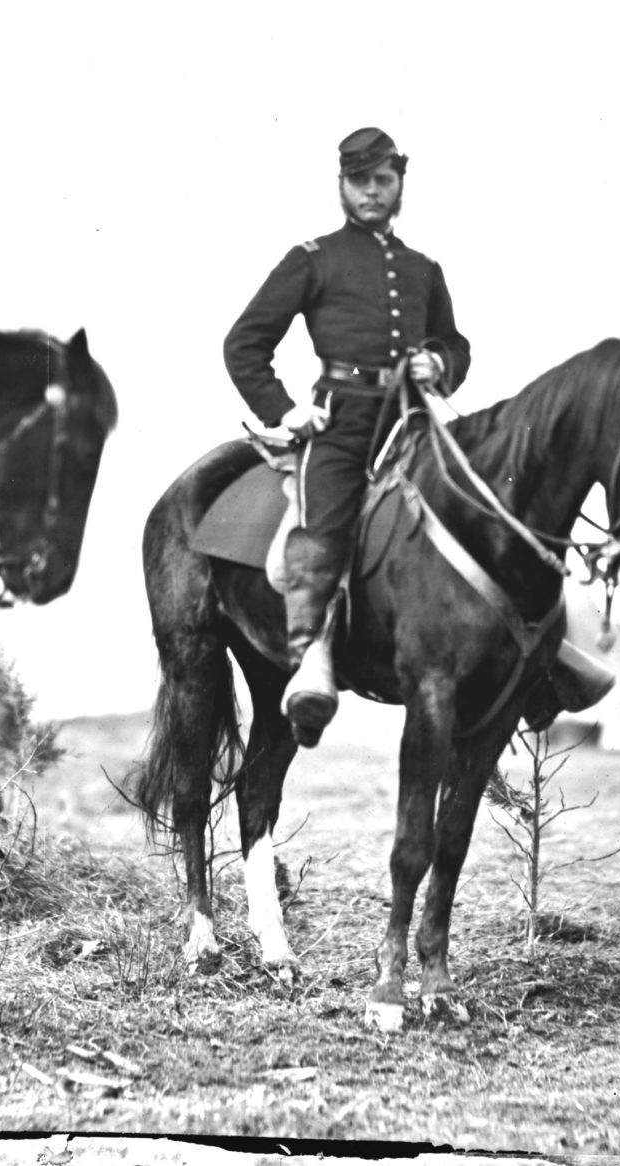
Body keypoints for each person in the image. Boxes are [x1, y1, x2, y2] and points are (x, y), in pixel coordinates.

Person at [222, 127, 472, 744]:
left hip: (414, 418)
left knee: (482, 496)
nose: (371, 192)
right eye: (359, 181)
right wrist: (284, 412)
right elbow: (244, 344)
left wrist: (438, 363)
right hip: (340, 419)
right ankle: (312, 658)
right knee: (323, 523)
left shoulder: (422, 268)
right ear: (342, 185)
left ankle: (533, 656)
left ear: (399, 187)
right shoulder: (313, 259)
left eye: (383, 181)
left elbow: (456, 344)